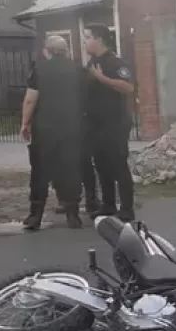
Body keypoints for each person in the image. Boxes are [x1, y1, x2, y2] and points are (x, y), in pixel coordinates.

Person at [19, 35, 88, 230]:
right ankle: (73, 215)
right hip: (72, 127)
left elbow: (31, 99)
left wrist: (25, 123)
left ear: (46, 51)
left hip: (45, 128)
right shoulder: (78, 70)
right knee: (71, 170)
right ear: (66, 51)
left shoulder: (39, 70)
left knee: (40, 172)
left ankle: (35, 216)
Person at [83, 24, 137, 221]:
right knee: (102, 165)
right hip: (95, 124)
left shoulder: (115, 63)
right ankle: (108, 204)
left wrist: (102, 78)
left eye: (87, 37)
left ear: (99, 39)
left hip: (114, 124)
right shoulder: (91, 63)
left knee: (118, 165)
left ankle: (127, 208)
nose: (85, 42)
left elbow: (128, 87)